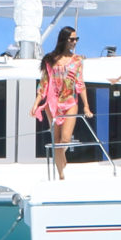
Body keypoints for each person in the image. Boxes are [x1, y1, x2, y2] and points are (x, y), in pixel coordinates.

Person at [35, 26, 87, 177]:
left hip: (70, 101)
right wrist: (36, 103)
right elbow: (43, 84)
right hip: (53, 103)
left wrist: (87, 106)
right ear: (64, 40)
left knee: (64, 139)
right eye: (72, 39)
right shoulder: (50, 59)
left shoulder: (77, 60)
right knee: (56, 140)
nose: (74, 42)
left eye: (76, 39)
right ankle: (61, 175)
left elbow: (80, 83)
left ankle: (61, 161)